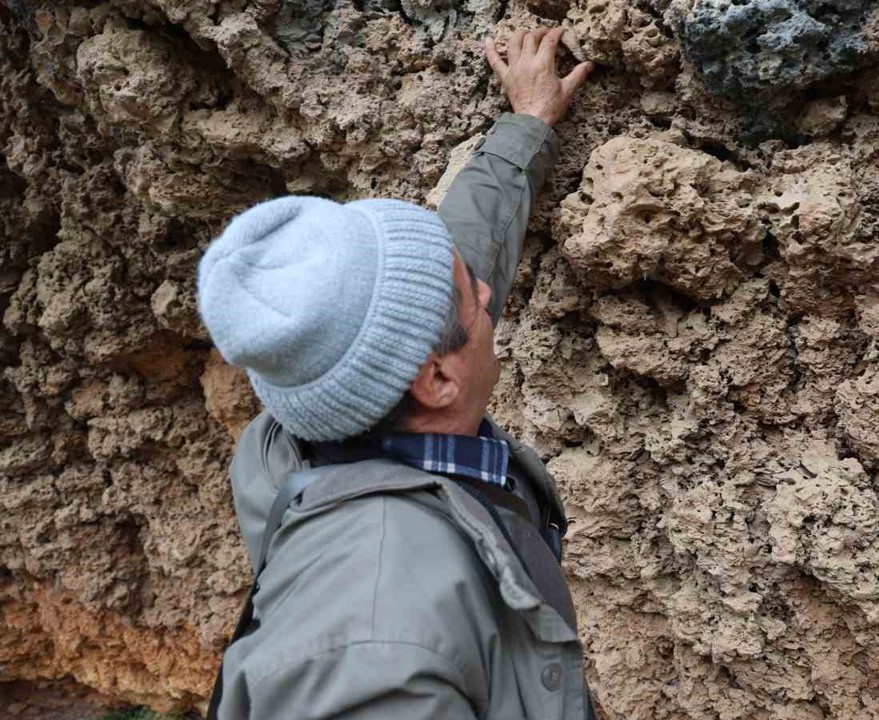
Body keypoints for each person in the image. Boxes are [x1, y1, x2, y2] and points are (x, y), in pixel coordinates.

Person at [195, 27, 595, 719]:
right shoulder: (376, 644)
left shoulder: (313, 402)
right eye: (475, 294)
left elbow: (454, 262)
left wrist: (526, 125)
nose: (485, 289)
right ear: (436, 380)